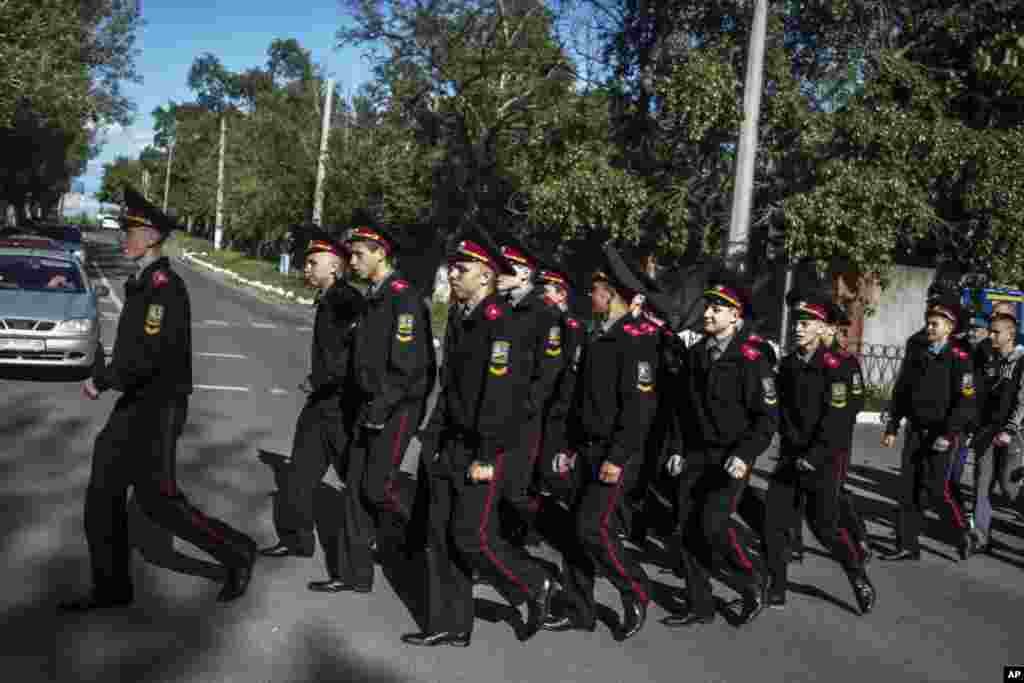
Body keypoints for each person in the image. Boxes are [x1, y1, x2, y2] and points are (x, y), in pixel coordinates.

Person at [60, 186, 256, 612]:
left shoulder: (165, 287)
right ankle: (111, 587)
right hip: (136, 403)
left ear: (151, 237)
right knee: (103, 493)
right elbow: (133, 350)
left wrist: (103, 381)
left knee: (159, 500)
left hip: (160, 406)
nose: (123, 239)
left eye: (131, 232)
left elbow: (146, 356)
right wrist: (108, 372)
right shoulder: (144, 282)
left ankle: (238, 551)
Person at [404, 226, 554, 647]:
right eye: (453, 267)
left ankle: (534, 583)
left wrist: (487, 452)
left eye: (461, 268)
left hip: (484, 446)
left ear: (486, 276)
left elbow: (501, 397)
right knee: (440, 536)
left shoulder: (500, 324)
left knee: (471, 536)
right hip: (450, 441)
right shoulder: (461, 317)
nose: (452, 274)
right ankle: (450, 625)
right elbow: (451, 387)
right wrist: (432, 437)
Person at [541, 245, 659, 640]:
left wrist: (618, 456)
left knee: (594, 528)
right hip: (585, 448)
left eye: (596, 290)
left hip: (615, 454)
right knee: (575, 531)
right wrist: (565, 447)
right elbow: (576, 401)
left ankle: (635, 588)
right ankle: (580, 608)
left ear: (611, 296)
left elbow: (638, 410)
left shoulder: (635, 340)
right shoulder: (594, 336)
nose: (589, 297)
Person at [662, 268, 776, 629]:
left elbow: (765, 419)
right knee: (685, 528)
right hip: (696, 453)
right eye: (708, 305)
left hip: (731, 456)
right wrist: (678, 448)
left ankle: (750, 580)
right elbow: (682, 409)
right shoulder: (697, 354)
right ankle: (700, 603)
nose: (708, 313)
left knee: (712, 525)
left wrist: (744, 456)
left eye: (718, 307)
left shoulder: (751, 358)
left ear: (735, 315)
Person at [335, 217, 437, 593]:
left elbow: (409, 368)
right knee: (355, 488)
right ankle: (353, 576)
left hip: (396, 407)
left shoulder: (403, 298)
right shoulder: (374, 296)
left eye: (360, 254)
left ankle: (420, 534)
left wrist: (380, 408)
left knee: (376, 488)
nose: (353, 260)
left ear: (381, 253)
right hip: (370, 403)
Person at [762, 291, 876, 614]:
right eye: (797, 322)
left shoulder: (836, 366)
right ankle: (777, 586)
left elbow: (837, 421)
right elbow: (777, 410)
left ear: (821, 327)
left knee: (825, 529)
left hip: (820, 461)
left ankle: (857, 576)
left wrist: (813, 457)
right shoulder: (787, 366)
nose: (798, 328)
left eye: (806, 322)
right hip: (790, 457)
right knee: (774, 522)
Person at [259, 228, 365, 573]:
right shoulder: (330, 297)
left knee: (361, 482)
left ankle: (389, 535)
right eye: (306, 262)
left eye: (312, 262)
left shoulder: (346, 299)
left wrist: (321, 378)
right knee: (299, 474)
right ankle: (297, 540)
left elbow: (353, 353)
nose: (306, 268)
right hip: (322, 404)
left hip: (342, 406)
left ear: (334, 267)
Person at [880, 292, 976, 561]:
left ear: (949, 327)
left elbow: (965, 402)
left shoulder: (960, 358)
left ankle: (962, 532)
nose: (930, 327)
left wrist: (949, 433)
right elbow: (902, 391)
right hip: (915, 430)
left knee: (936, 490)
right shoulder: (917, 353)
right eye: (929, 322)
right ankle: (908, 545)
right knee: (908, 488)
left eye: (936, 323)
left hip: (941, 435)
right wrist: (892, 426)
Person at [492, 234, 566, 547]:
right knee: (492, 485)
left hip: (524, 415)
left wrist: (527, 407)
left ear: (524, 274)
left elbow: (548, 371)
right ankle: (498, 542)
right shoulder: (498, 307)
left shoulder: (543, 312)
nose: (498, 274)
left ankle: (543, 531)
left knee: (515, 487)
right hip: (494, 409)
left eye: (505, 269)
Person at [967, 313, 1024, 552]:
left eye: (996, 332)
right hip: (987, 431)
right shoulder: (988, 359)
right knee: (982, 484)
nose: (991, 335)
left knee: (1009, 488)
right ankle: (980, 538)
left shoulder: (1021, 361)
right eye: (990, 331)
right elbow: (976, 394)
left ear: (1010, 334)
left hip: (1012, 434)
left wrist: (1010, 429)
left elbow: (1023, 400)